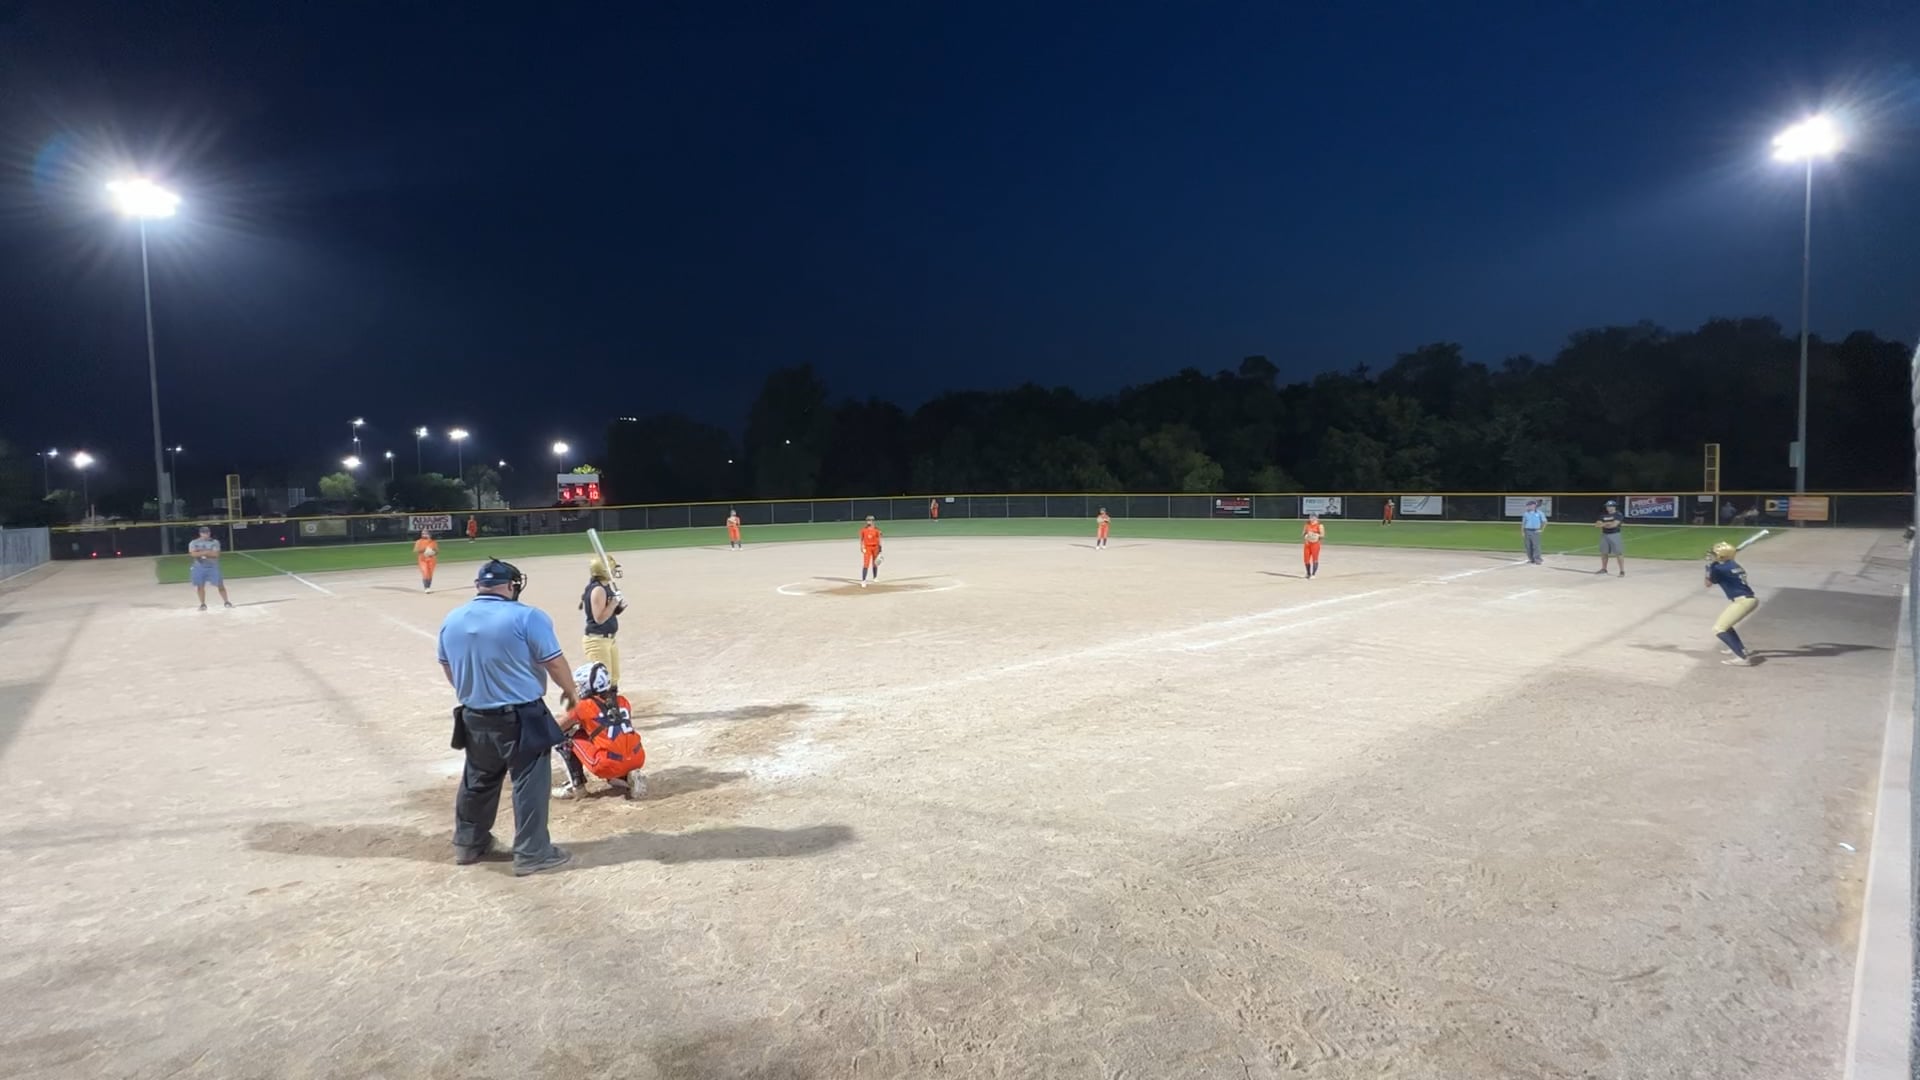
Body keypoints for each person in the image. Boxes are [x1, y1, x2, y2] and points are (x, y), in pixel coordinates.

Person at [439, 559, 578, 876]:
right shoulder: (527, 616)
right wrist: (570, 691)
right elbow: (554, 662)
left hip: (473, 714)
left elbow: (448, 666)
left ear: (479, 586)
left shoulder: (452, 618)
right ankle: (533, 852)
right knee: (530, 781)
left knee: (478, 779)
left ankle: (469, 844)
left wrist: (473, 692)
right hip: (521, 715)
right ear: (512, 586)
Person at [554, 661, 647, 801]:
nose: (578, 688)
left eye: (580, 685)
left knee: (565, 738)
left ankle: (576, 786)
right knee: (613, 742)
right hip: (637, 757)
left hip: (607, 764)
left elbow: (557, 727)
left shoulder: (583, 706)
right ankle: (627, 777)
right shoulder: (622, 701)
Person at [1705, 542, 1758, 666]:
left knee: (1718, 628)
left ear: (1722, 556)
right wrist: (1714, 566)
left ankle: (1743, 658)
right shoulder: (1733, 565)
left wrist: (1708, 569)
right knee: (1727, 625)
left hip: (1743, 601)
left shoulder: (1719, 569)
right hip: (1747, 600)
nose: (1712, 556)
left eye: (1715, 554)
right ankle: (1740, 648)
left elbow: (1708, 583)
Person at [580, 557, 624, 688]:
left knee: (614, 678)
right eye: (612, 569)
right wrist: (613, 603)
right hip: (597, 641)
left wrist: (618, 607)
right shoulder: (598, 590)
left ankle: (614, 699)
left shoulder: (605, 587)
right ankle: (604, 701)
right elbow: (599, 619)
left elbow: (608, 613)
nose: (614, 571)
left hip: (609, 639)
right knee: (603, 681)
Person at [187, 526, 234, 611]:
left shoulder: (215, 542)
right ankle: (202, 604)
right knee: (200, 586)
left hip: (213, 567)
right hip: (199, 567)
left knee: (220, 585)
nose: (206, 534)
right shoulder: (193, 542)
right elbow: (193, 554)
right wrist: (207, 552)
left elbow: (215, 555)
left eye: (208, 532)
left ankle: (226, 602)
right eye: (204, 533)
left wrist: (200, 553)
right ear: (200, 533)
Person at [1595, 501, 1625, 576]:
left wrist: (1603, 524)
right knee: (1604, 553)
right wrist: (1608, 523)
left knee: (1618, 553)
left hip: (1615, 535)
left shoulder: (1618, 514)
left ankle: (1622, 571)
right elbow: (1597, 525)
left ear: (1614, 507)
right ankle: (1604, 569)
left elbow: (1614, 525)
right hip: (1604, 535)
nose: (1608, 508)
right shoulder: (1603, 515)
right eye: (1607, 506)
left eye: (1610, 506)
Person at [1520, 500, 1547, 564]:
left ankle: (1538, 559)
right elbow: (1523, 523)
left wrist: (1541, 529)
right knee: (1528, 546)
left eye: (1529, 505)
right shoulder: (1526, 514)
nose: (1528, 507)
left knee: (1536, 546)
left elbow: (1544, 522)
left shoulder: (1540, 513)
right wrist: (1522, 532)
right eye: (1527, 506)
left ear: (1533, 506)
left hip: (1536, 531)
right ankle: (1531, 559)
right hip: (1527, 531)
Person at [859, 516, 883, 587]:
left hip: (875, 547)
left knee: (875, 563)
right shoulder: (863, 530)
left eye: (870, 520)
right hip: (867, 548)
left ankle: (875, 577)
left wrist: (880, 548)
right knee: (866, 564)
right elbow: (861, 539)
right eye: (867, 520)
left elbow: (879, 539)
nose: (868, 521)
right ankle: (863, 580)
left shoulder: (877, 530)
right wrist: (861, 546)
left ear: (873, 521)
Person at [1302, 513, 1325, 578]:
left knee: (1315, 559)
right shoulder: (1307, 524)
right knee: (1306, 559)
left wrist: (1316, 535)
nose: (1311, 518)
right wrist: (1306, 535)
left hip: (1315, 544)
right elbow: (1303, 533)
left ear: (1316, 518)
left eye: (1313, 517)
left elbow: (1322, 535)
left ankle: (1313, 574)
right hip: (1307, 543)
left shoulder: (1319, 525)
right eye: (1310, 517)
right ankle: (1308, 573)